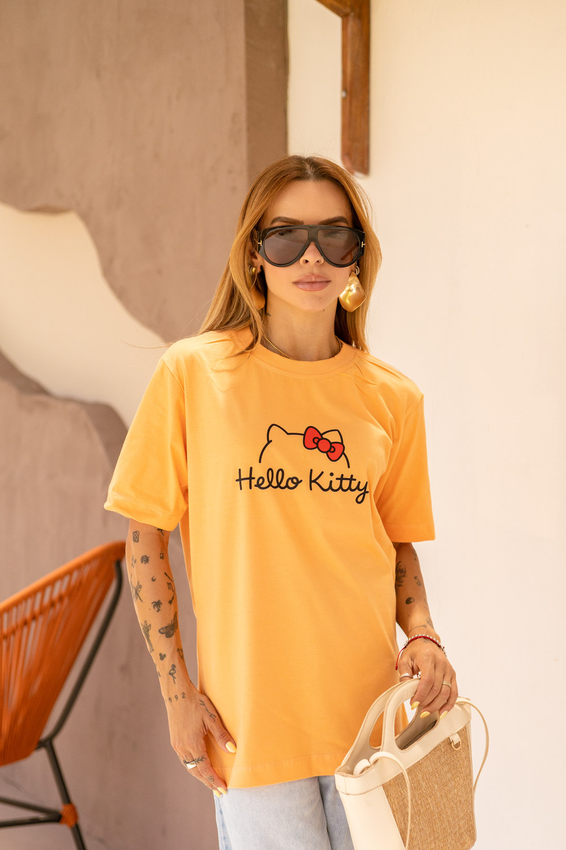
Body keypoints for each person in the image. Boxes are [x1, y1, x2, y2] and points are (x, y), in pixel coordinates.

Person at [104, 154, 458, 850]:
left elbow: (396, 544)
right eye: (286, 236)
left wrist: (423, 634)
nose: (312, 256)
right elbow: (145, 538)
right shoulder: (194, 374)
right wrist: (177, 694)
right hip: (251, 726)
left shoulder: (393, 397)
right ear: (254, 253)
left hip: (374, 724)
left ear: (357, 254)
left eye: (334, 235)